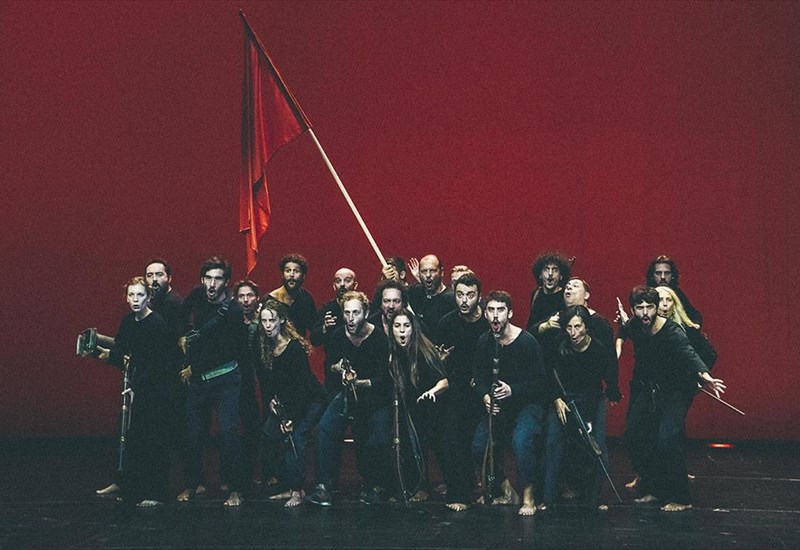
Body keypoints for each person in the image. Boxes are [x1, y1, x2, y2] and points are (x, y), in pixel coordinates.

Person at [622, 286, 725, 512]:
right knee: (634, 434)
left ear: (657, 307)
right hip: (653, 390)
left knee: (668, 437)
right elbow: (624, 331)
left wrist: (704, 376)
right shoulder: (635, 325)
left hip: (677, 390)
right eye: (640, 308)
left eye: (650, 307)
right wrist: (619, 341)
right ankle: (655, 488)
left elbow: (688, 352)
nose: (645, 313)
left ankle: (681, 497)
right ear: (633, 310)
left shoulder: (671, 330)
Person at [306, 291, 393, 506]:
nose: (351, 318)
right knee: (325, 428)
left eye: (355, 313)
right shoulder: (338, 335)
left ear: (365, 313)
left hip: (374, 396)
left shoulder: (379, 338)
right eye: (347, 313)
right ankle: (324, 486)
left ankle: (375, 486)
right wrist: (338, 369)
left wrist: (360, 382)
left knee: (377, 436)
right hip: (346, 394)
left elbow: (384, 379)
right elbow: (330, 366)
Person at [471, 291, 549, 516]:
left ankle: (528, 496)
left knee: (521, 441)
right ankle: (506, 490)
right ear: (485, 313)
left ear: (510, 313)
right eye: (491, 310)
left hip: (527, 405)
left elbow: (541, 384)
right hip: (499, 406)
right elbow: (478, 377)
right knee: (478, 445)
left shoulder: (527, 342)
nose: (495, 316)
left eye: (500, 310)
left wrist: (512, 390)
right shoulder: (485, 341)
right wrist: (485, 396)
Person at [178, 257, 247, 506]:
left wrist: (194, 366)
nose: (212, 284)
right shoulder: (196, 296)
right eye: (208, 278)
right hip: (199, 380)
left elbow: (232, 349)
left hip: (226, 377)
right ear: (202, 280)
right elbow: (179, 317)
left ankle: (235, 489)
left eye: (218, 279)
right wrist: (183, 338)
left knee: (228, 433)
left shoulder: (233, 310)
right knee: (193, 434)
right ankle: (193, 484)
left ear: (226, 282)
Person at [106, 277, 174, 507]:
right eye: (132, 295)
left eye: (140, 295)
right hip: (138, 385)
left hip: (158, 388)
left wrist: (137, 387)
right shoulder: (128, 321)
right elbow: (120, 349)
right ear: (126, 298)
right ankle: (132, 489)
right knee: (134, 438)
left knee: (153, 439)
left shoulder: (156, 324)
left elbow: (157, 363)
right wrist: (96, 349)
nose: (136, 300)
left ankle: (156, 493)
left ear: (148, 297)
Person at [542, 305, 619, 510]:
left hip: (592, 399)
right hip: (563, 399)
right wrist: (556, 398)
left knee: (597, 447)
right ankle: (548, 498)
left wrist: (610, 396)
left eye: (578, 327)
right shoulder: (559, 344)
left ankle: (596, 498)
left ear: (586, 327)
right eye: (569, 327)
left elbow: (608, 378)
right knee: (553, 441)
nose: (573, 333)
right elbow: (548, 373)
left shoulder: (598, 349)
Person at [257, 300, 326, 507]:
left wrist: (291, 419)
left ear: (281, 321)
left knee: (296, 437)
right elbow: (271, 380)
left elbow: (302, 388)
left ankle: (297, 491)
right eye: (264, 321)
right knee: (269, 436)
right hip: (286, 402)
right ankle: (289, 485)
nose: (267, 325)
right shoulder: (267, 346)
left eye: (271, 320)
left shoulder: (293, 348)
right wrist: (272, 401)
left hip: (310, 401)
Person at [435, 273, 489, 510]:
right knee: (451, 436)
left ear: (479, 296)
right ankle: (458, 493)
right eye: (460, 295)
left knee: (478, 441)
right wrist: (441, 360)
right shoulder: (446, 323)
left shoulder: (488, 322)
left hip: (483, 389)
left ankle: (487, 487)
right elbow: (438, 363)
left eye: (470, 295)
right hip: (456, 389)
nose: (464, 300)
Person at [388, 309, 449, 505]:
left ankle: (432, 486)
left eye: (406, 326)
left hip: (431, 404)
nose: (402, 331)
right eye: (397, 326)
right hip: (409, 406)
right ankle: (413, 485)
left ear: (413, 329)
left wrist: (432, 392)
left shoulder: (423, 350)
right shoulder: (392, 353)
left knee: (432, 444)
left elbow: (444, 381)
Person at [310, 267, 359, 398]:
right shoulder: (326, 309)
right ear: (333, 286)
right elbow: (314, 340)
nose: (342, 284)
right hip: (334, 375)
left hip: (361, 370)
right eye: (338, 281)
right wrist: (324, 328)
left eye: (347, 280)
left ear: (355, 285)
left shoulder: (365, 308)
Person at [233, 279, 263, 490]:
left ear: (257, 298)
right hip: (237, 381)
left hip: (259, 380)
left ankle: (260, 473)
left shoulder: (263, 322)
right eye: (241, 296)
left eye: (249, 295)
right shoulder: (231, 322)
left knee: (256, 429)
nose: (245, 300)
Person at [646, 255, 703, 326]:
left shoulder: (677, 293)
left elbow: (694, 314)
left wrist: (695, 325)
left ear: (672, 275)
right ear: (652, 275)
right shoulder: (646, 294)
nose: (663, 277)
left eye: (667, 273)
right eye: (658, 273)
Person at [269, 254, 317, 338]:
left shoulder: (307, 298)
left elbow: (314, 329)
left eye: (296, 271)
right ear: (282, 275)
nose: (291, 275)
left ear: (303, 276)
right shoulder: (270, 299)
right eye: (288, 271)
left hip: (299, 345)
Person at [525, 252, 572, 334]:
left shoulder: (566, 295)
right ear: (540, 275)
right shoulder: (536, 294)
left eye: (555, 270)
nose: (550, 273)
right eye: (546, 269)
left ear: (561, 276)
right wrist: (543, 326)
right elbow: (530, 328)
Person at [408, 254, 456, 332]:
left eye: (432, 271)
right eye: (424, 271)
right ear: (419, 273)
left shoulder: (451, 298)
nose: (428, 275)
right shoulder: (415, 291)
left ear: (441, 272)